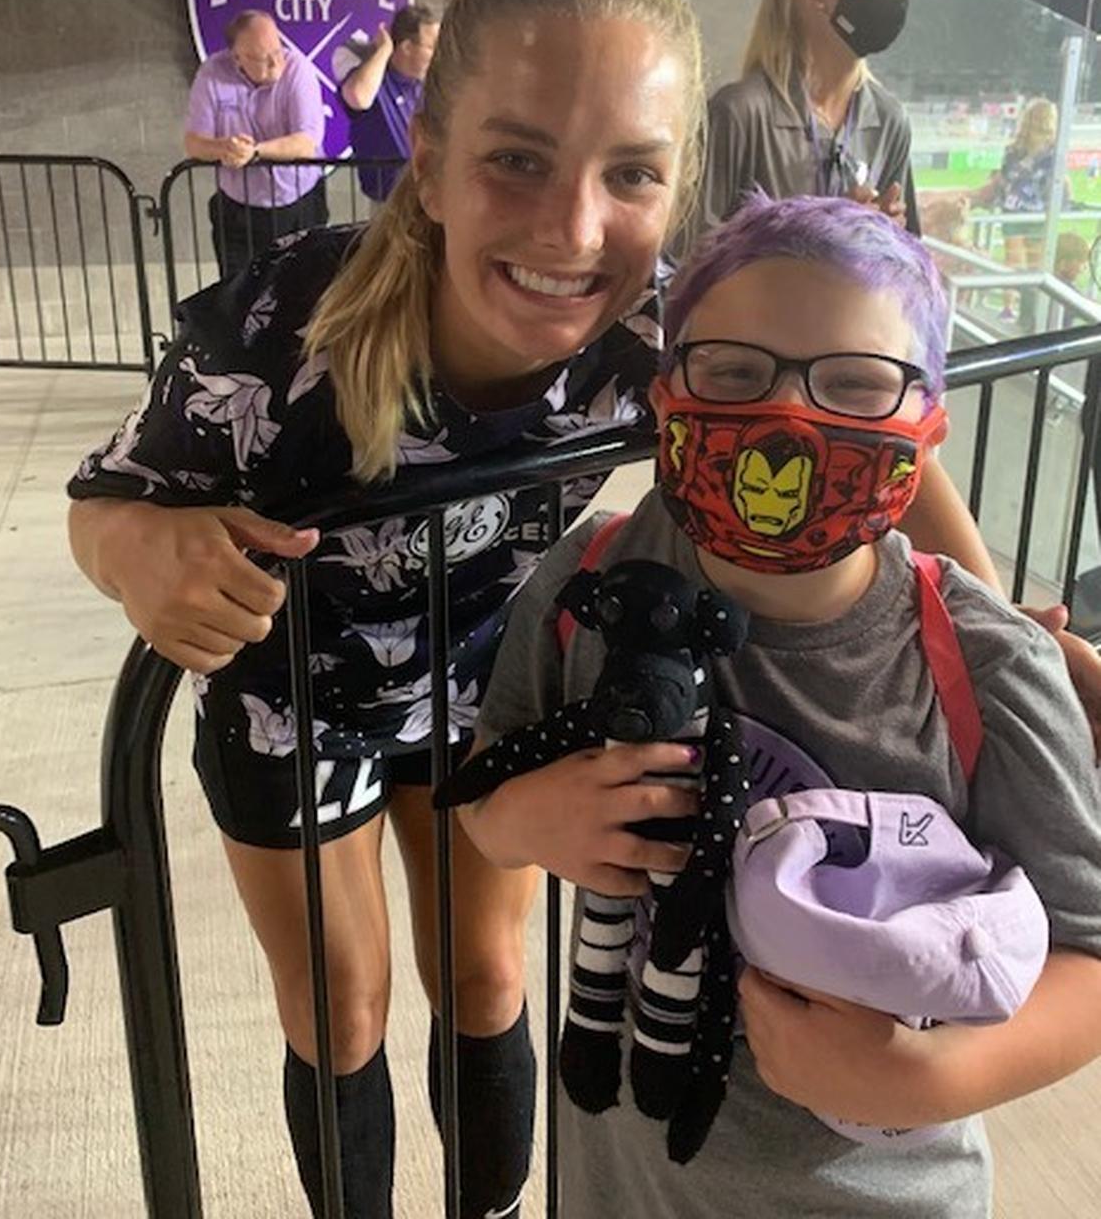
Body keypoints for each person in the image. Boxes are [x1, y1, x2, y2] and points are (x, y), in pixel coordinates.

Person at [66, 0, 711, 1219]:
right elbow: (107, 497)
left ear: (674, 186)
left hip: (483, 680)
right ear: (426, 164)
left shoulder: (663, 326)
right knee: (341, 1002)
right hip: (289, 693)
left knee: (483, 975)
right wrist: (145, 552)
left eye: (630, 173)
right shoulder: (277, 333)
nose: (573, 229)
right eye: (517, 159)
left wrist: (994, 629)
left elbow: (854, 399)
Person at [462, 195, 1101, 1219]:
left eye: (854, 382)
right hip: (621, 1182)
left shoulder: (988, 670)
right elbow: (487, 780)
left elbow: (1088, 951)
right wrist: (514, 818)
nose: (789, 420)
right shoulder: (589, 586)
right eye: (735, 371)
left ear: (924, 424)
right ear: (670, 395)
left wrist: (925, 1081)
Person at [687, 0, 920, 252]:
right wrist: (818, 236)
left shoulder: (888, 119)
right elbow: (688, 258)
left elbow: (909, 264)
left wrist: (886, 234)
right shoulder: (740, 113)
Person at [184, 10, 328, 278]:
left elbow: (307, 142)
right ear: (237, 58)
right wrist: (223, 148)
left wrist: (255, 152)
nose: (276, 62)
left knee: (302, 290)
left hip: (298, 204)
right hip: (238, 211)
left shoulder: (298, 68)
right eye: (263, 58)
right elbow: (193, 143)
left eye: (278, 49)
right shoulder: (212, 73)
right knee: (238, 294)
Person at [337, 4, 440, 203]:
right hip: (387, 203)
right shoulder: (375, 79)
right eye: (431, 47)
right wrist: (384, 49)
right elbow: (357, 96)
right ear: (407, 47)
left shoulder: (428, 84)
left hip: (427, 197)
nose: (438, 54)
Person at [976, 98, 1059, 327]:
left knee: (1016, 263)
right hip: (1035, 213)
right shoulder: (1052, 153)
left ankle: (1011, 309)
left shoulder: (1017, 149)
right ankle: (1025, 312)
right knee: (1030, 264)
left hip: (1016, 211)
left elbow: (1005, 179)